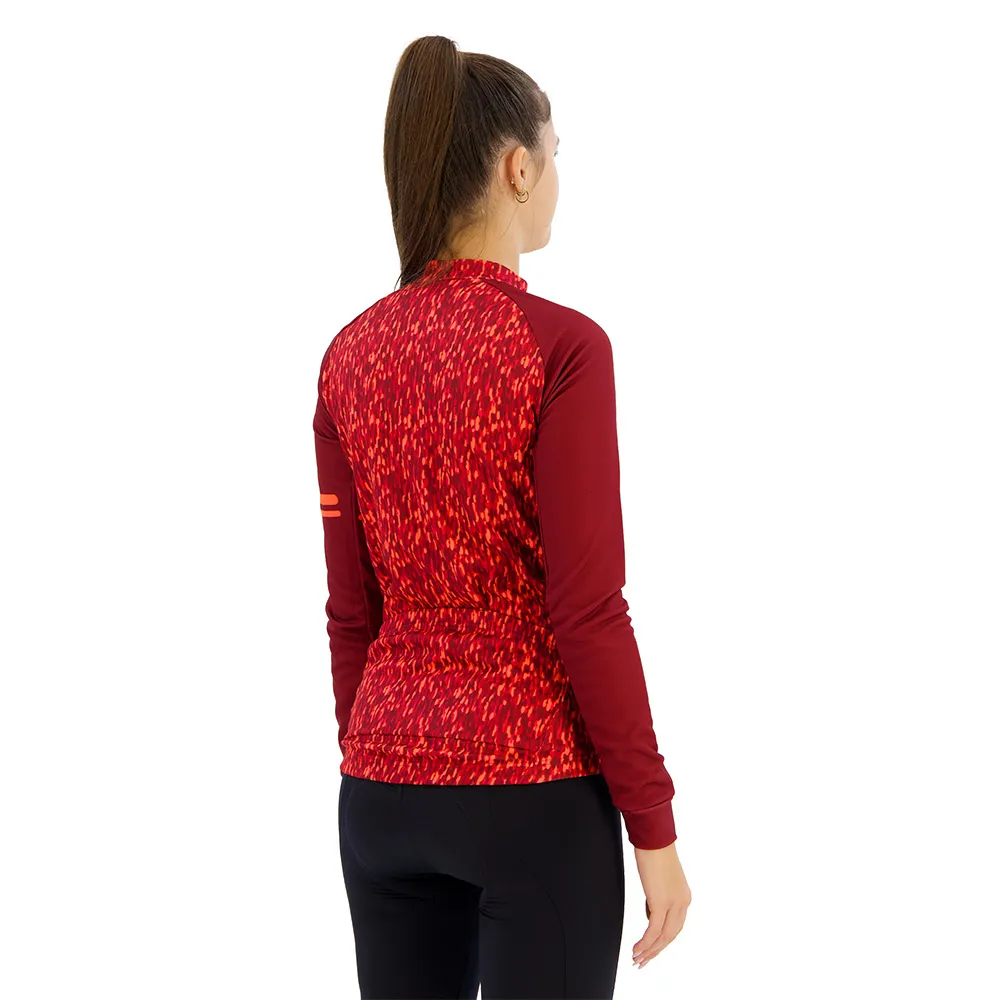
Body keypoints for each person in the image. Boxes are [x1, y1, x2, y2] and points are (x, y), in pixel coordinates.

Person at [313, 34, 691, 999]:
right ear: (518, 168)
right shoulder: (562, 349)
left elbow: (352, 612)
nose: (558, 174)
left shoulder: (348, 358)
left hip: (381, 797)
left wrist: (380, 751)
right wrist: (652, 827)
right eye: (556, 153)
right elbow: (588, 610)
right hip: (533, 795)